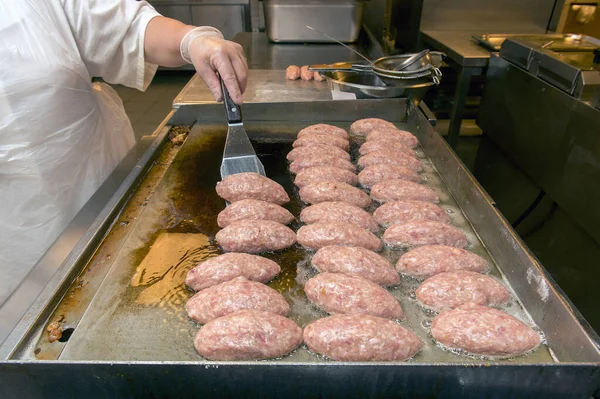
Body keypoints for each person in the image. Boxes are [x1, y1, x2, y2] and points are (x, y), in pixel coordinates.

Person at [0, 0, 248, 306]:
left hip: (95, 186)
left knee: (111, 288)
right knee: (23, 315)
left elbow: (129, 29)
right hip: (10, 234)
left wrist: (192, 40)